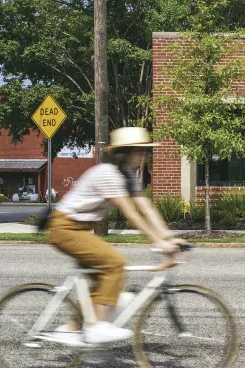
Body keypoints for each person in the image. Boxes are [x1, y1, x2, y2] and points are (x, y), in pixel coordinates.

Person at [45, 127, 180, 344]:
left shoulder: (126, 175)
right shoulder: (108, 174)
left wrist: (169, 237)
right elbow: (131, 214)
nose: (144, 155)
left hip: (77, 229)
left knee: (103, 283)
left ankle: (71, 329)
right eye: (140, 151)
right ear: (125, 153)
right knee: (114, 264)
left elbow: (146, 207)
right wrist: (158, 241)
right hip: (64, 228)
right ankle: (96, 327)